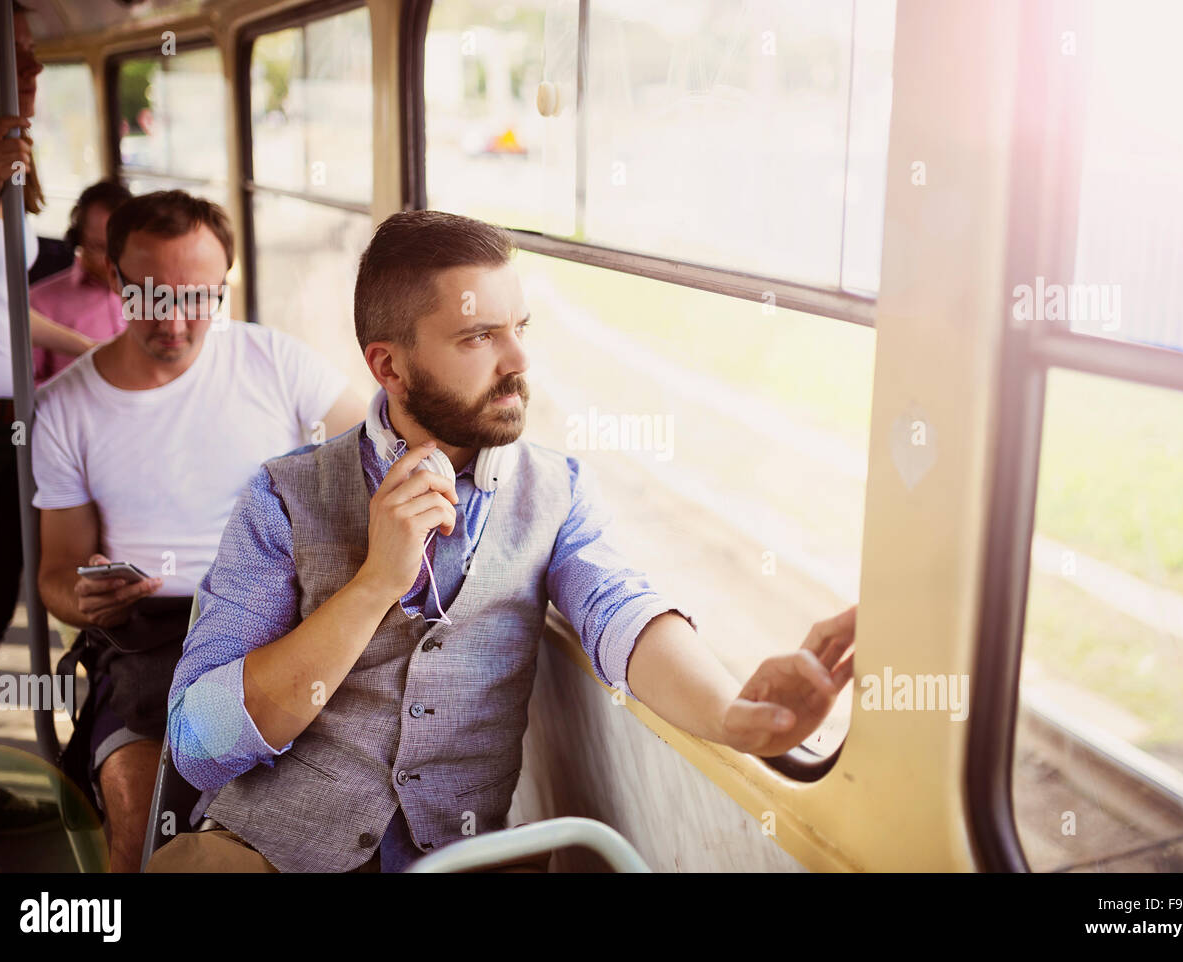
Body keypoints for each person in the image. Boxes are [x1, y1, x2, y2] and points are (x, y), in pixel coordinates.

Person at [154, 210, 858, 873]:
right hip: (270, 855)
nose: (519, 359)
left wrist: (731, 714)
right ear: (389, 367)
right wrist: (372, 586)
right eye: (478, 336)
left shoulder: (557, 493)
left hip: (459, 860)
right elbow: (196, 746)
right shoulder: (281, 498)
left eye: (519, 326)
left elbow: (622, 612)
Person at [32, 189, 362, 872]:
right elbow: (57, 574)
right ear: (115, 280)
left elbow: (378, 450)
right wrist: (84, 597)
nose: (176, 321)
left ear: (223, 285)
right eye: (151, 295)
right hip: (148, 635)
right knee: (140, 816)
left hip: (281, 619)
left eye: (199, 297)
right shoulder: (63, 409)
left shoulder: (276, 363)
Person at [0, 0, 95, 835]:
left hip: (6, 426)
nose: (37, 68)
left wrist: (93, 353)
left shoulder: (0, 152)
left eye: (38, 53)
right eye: (15, 51)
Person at [31, 179, 132, 384]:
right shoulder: (38, 303)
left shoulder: (155, 293)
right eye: (99, 246)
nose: (112, 259)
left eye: (120, 247)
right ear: (78, 239)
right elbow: (26, 388)